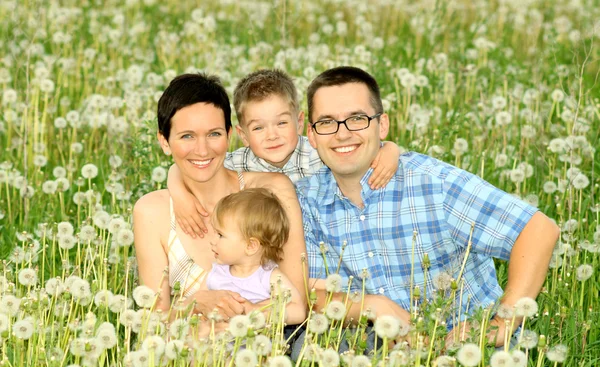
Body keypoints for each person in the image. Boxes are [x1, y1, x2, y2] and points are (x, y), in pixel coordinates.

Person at [295, 66, 560, 347]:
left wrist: (503, 323)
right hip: (381, 358)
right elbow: (309, 294)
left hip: (468, 353)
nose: (342, 133)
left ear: (382, 125)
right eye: (326, 123)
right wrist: (373, 305)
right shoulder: (304, 201)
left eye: (357, 119)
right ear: (311, 135)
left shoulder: (432, 183)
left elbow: (538, 230)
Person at [133, 73, 307, 322]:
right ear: (164, 141)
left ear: (229, 134)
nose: (202, 150)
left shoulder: (272, 190)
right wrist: (193, 303)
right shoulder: (151, 212)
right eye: (187, 136)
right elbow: (153, 320)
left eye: (214, 134)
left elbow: (296, 299)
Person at [167, 69, 402, 238]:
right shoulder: (238, 162)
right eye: (258, 128)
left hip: (318, 242)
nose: (272, 136)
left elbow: (360, 151)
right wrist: (180, 195)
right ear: (243, 134)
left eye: (281, 123)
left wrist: (390, 149)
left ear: (300, 122)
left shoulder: (318, 151)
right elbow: (187, 166)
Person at [202, 188, 306, 324]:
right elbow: (199, 306)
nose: (212, 240)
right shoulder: (216, 274)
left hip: (256, 344)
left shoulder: (269, 276)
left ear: (251, 246)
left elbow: (298, 310)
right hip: (217, 343)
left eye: (220, 235)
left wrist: (257, 312)